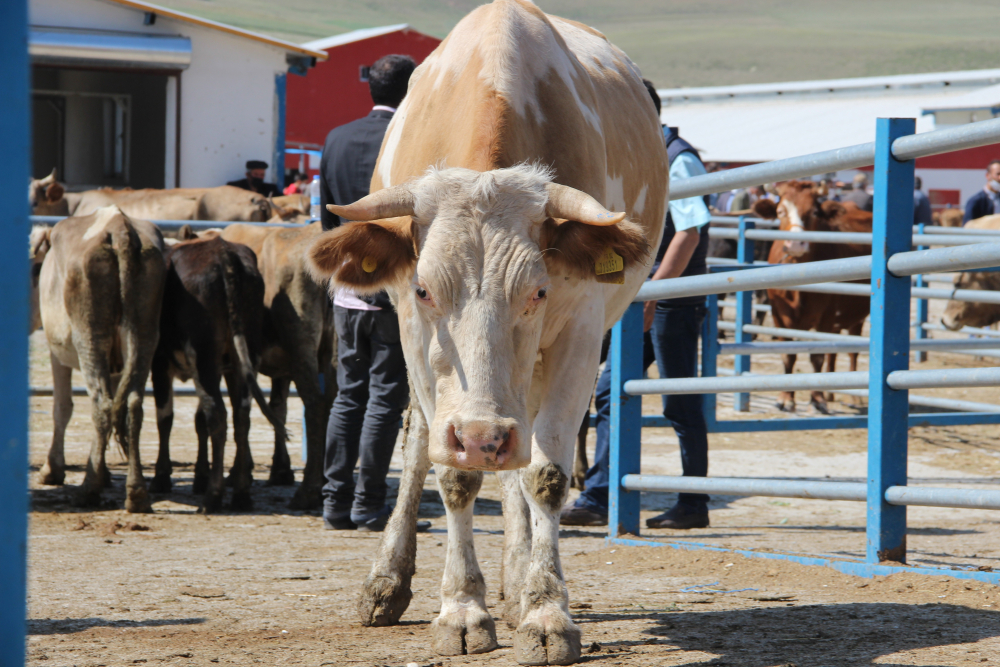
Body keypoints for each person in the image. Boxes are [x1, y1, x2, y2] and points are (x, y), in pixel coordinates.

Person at [560, 79, 712, 530]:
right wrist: (615, 289)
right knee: (609, 391)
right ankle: (600, 494)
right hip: (639, 297)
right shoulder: (637, 159)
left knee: (680, 400)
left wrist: (654, 291)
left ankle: (693, 502)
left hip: (669, 299)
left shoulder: (678, 158)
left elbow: (690, 230)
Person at [318, 54, 427, 533]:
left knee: (347, 396)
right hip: (393, 290)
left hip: (347, 286)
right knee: (385, 398)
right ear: (411, 90)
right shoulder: (411, 139)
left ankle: (335, 504)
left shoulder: (335, 138)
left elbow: (326, 222)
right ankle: (368, 505)